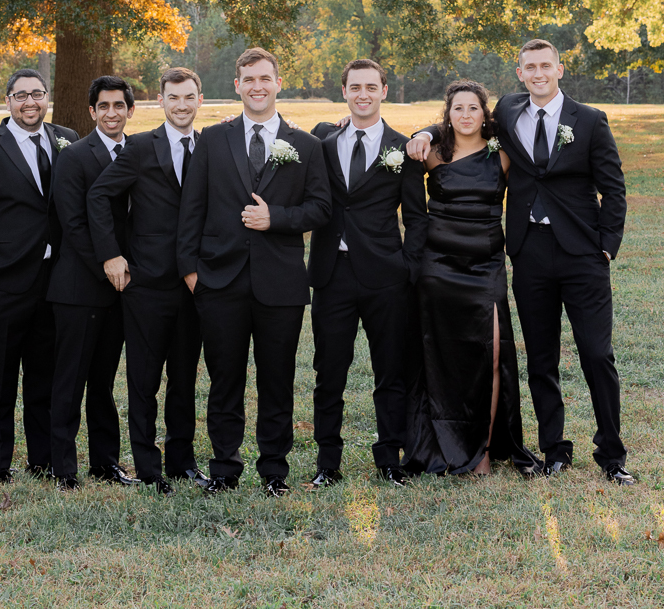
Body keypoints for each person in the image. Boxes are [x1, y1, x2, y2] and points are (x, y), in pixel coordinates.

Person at [407, 40, 632, 485]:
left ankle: (611, 454)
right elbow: (460, 118)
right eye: (530, 67)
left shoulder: (589, 120)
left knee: (596, 354)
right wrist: (426, 133)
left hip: (583, 255)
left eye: (546, 65)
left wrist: (607, 245)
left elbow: (614, 187)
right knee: (541, 359)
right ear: (520, 72)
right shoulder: (509, 111)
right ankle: (555, 450)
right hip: (530, 253)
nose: (538, 73)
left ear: (559, 70)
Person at [177, 47, 331, 496]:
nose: (257, 86)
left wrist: (275, 218)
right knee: (224, 381)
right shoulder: (213, 139)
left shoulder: (306, 145)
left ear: (278, 83)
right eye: (249, 79)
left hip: (280, 284)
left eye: (265, 78)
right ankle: (224, 469)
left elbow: (321, 208)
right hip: (218, 281)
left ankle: (274, 472)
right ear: (237, 86)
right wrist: (191, 272)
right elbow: (192, 207)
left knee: (277, 382)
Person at [403, 80, 540, 478]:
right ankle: (441, 444)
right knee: (439, 355)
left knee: (491, 354)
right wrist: (423, 133)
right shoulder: (431, 154)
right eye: (458, 108)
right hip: (438, 267)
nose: (466, 115)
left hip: (486, 267)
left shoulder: (504, 155)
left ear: (485, 114)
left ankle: (482, 450)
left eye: (473, 108)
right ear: (447, 115)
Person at [87, 67, 208, 495]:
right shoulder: (139, 147)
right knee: (143, 382)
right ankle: (149, 468)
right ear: (161, 101)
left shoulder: (209, 146)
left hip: (194, 285)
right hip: (147, 285)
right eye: (173, 97)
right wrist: (110, 254)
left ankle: (182, 462)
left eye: (189, 97)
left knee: (184, 380)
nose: (181, 105)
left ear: (199, 100)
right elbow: (99, 195)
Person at [0, 68, 78, 483]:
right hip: (3, 283)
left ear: (47, 98)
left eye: (37, 94)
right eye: (21, 95)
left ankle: (42, 460)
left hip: (54, 281)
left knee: (45, 377)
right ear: (8, 101)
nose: (30, 102)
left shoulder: (66, 139)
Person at [307, 58, 427, 487]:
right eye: (355, 87)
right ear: (344, 92)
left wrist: (407, 267)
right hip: (332, 274)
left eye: (371, 87)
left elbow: (417, 218)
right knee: (329, 373)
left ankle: (389, 459)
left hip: (386, 277)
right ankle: (327, 463)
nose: (363, 94)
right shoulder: (323, 142)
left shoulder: (403, 149)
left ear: (384, 91)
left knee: (390, 372)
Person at [46, 75, 138, 490]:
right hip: (80, 288)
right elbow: (73, 223)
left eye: (118, 105)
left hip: (123, 289)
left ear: (130, 110)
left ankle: (105, 463)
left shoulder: (139, 152)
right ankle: (63, 468)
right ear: (91, 111)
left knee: (103, 381)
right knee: (70, 380)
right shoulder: (75, 157)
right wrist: (108, 263)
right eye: (103, 106)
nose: (111, 113)